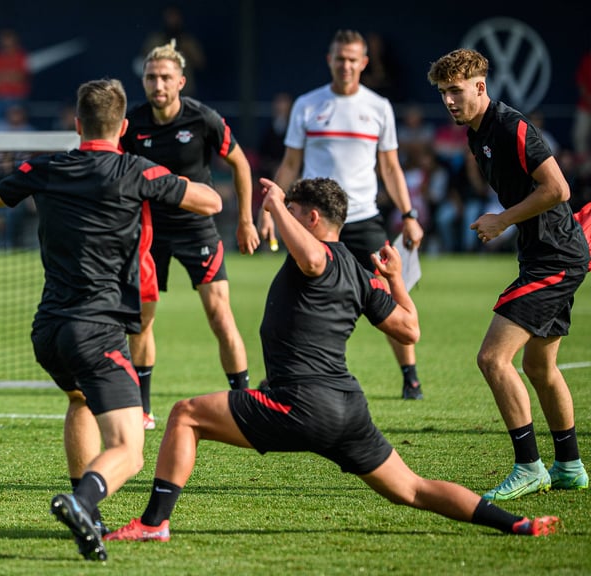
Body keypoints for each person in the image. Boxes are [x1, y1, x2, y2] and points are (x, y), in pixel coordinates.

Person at [105, 177, 559, 543]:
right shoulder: (361, 275)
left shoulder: (318, 255)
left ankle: (153, 523)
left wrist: (276, 204)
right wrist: (397, 280)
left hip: (300, 404)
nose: (287, 220)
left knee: (185, 415)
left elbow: (310, 258)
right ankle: (514, 523)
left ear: (313, 218)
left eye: (298, 214)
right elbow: (409, 329)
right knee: (412, 489)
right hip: (347, 410)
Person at [0, 78, 222, 561]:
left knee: (81, 401)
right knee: (130, 449)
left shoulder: (45, 168)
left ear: (76, 123)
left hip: (48, 330)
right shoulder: (136, 171)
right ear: (124, 126)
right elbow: (210, 202)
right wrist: (172, 186)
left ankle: (90, 514)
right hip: (98, 328)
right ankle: (83, 501)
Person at [427, 48, 590, 500]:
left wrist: (502, 218)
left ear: (481, 86)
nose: (448, 102)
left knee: (492, 359)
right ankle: (570, 466)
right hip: (545, 253)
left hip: (554, 258)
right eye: (443, 93)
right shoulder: (476, 134)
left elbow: (558, 188)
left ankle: (529, 467)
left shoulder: (511, 126)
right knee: (539, 367)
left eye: (456, 91)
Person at [261, 29, 425, 400]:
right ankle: (282, 373)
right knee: (298, 293)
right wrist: (273, 209)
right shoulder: (307, 104)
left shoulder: (379, 107)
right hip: (315, 223)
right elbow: (290, 163)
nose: (346, 64)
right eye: (340, 57)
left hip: (364, 217)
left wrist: (409, 214)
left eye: (353, 58)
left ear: (364, 62)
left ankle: (410, 376)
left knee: (387, 289)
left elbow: (391, 168)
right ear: (329, 60)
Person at [119, 40, 260, 429]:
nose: (157, 84)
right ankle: (143, 409)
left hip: (197, 227)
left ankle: (244, 403)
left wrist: (245, 220)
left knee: (219, 315)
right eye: (150, 77)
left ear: (181, 81)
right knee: (142, 320)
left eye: (165, 77)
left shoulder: (203, 119)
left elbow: (240, 164)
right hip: (149, 232)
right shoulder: (133, 124)